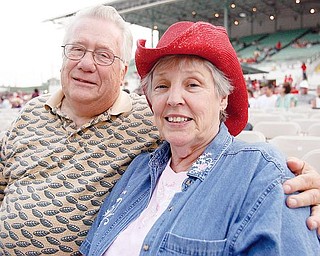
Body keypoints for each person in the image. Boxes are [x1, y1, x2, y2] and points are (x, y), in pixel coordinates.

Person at [0, 5, 320, 255]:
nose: (174, 99)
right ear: (150, 96)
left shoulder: (259, 170)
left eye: (193, 84)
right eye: (162, 85)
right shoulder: (140, 167)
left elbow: (249, 160)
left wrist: (297, 181)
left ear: (223, 96)